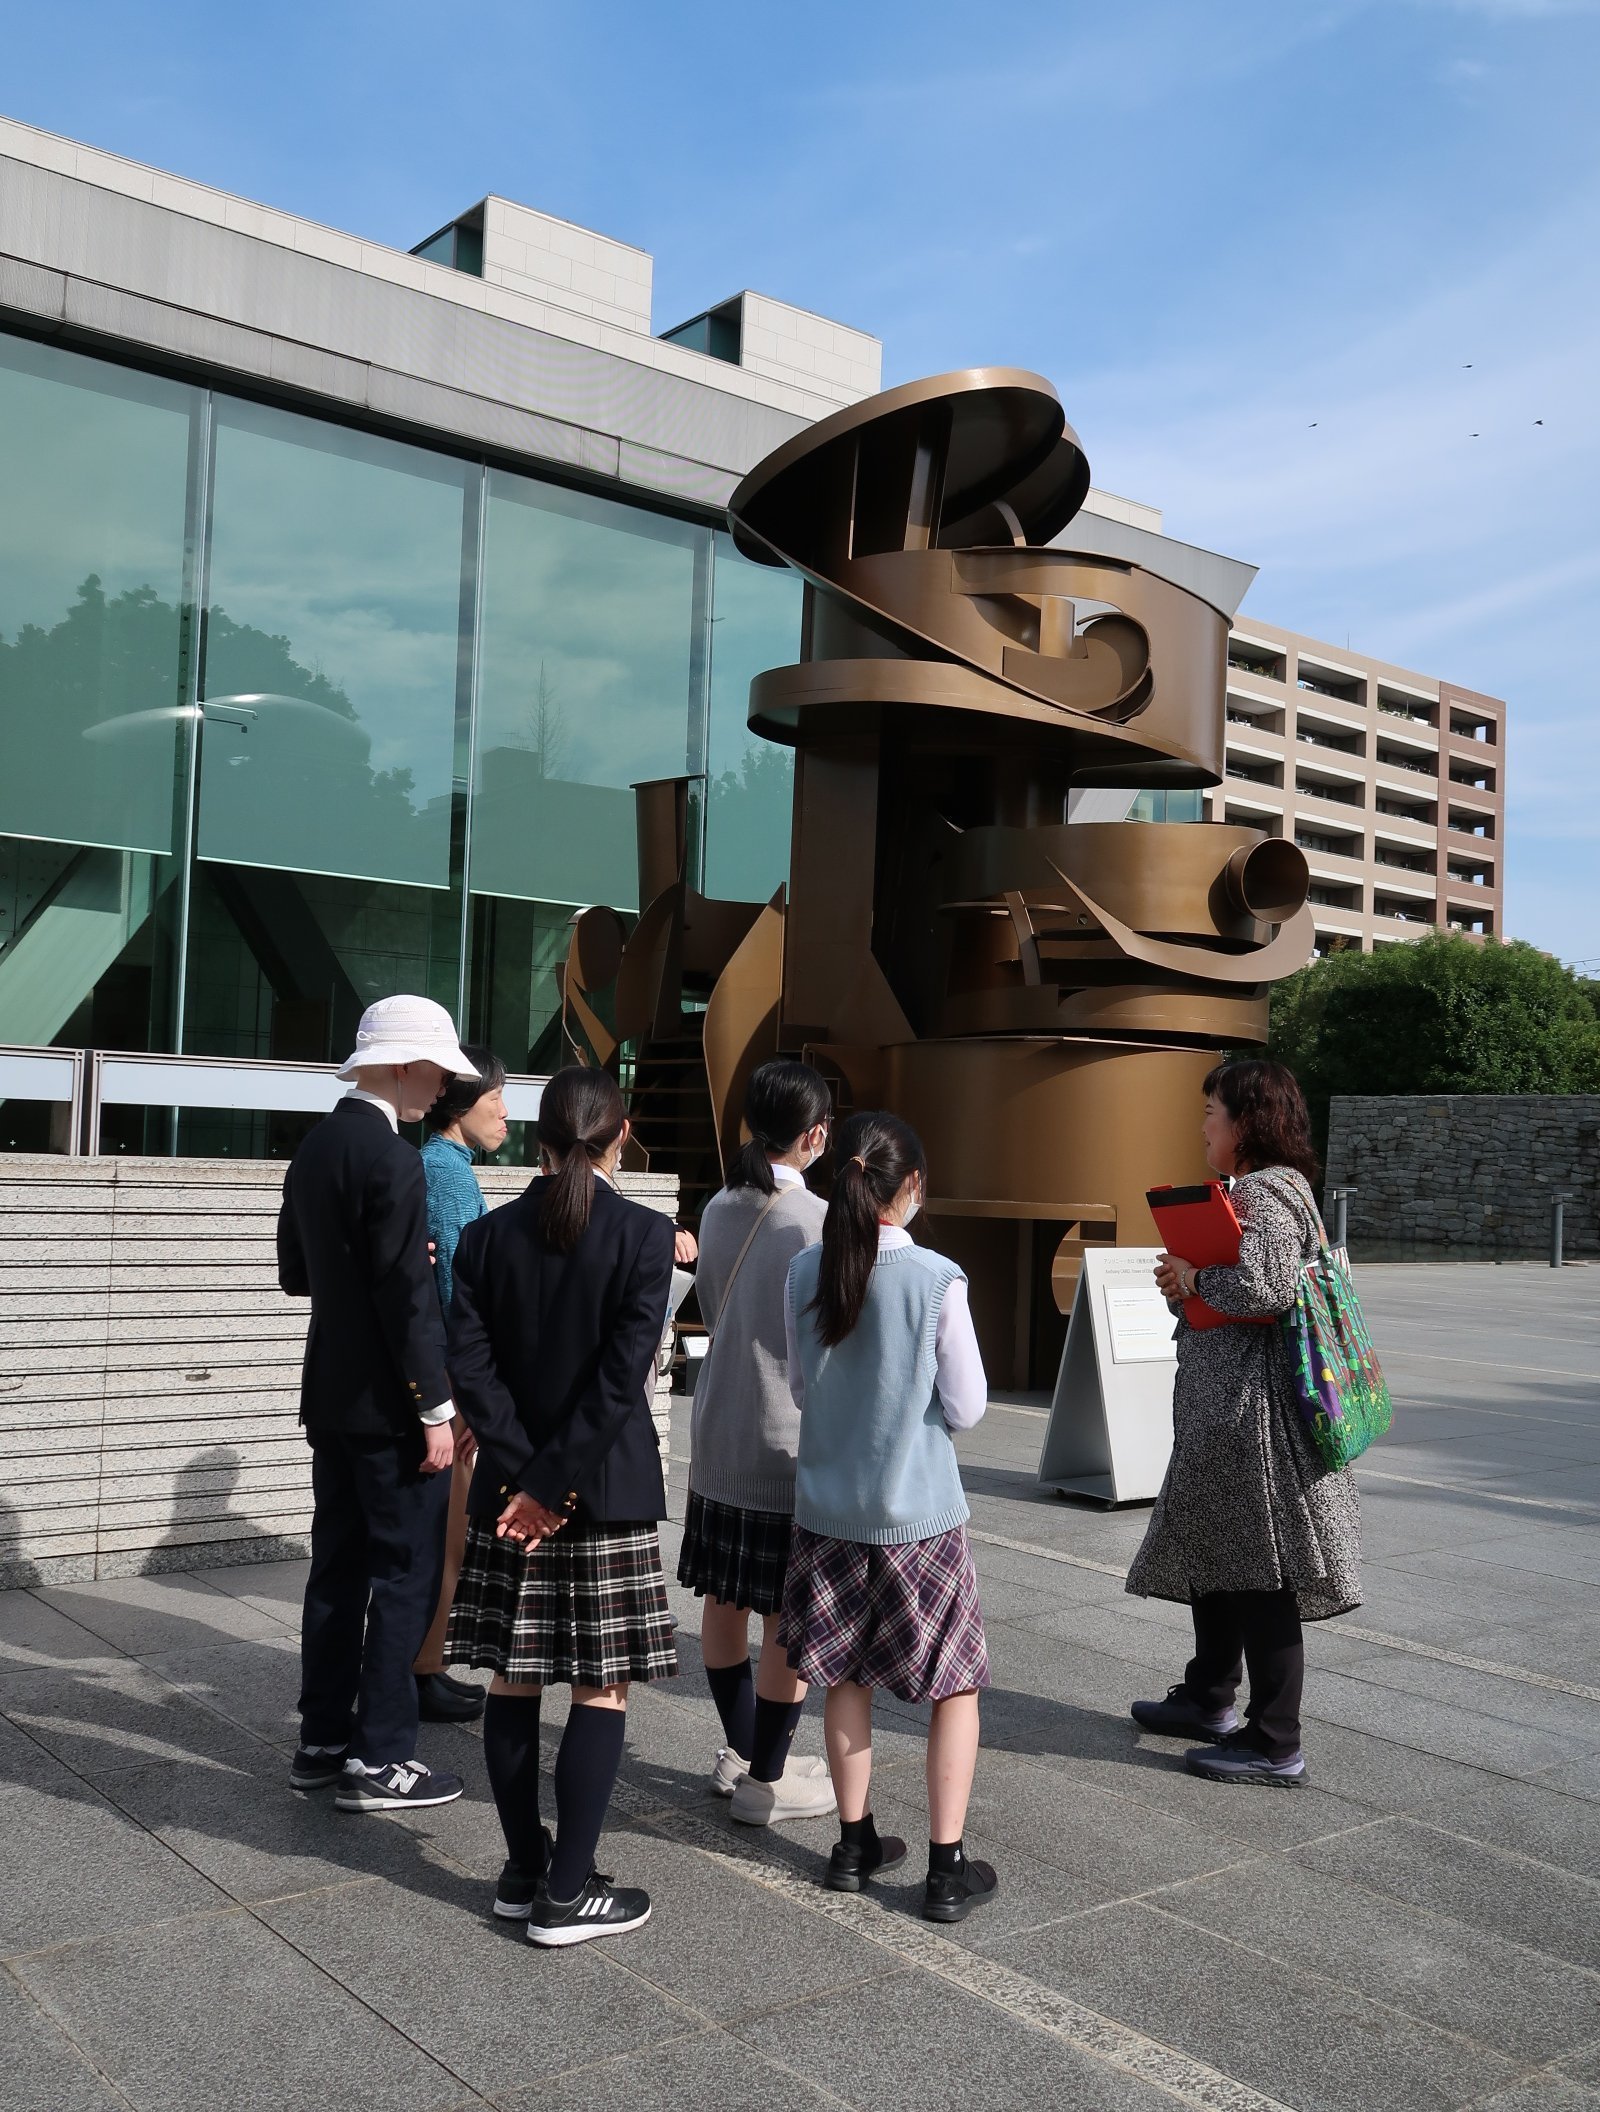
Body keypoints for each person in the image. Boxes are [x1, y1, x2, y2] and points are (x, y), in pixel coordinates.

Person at [445, 1066, 676, 1947]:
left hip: (511, 1497)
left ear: (538, 1137)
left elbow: (471, 1370)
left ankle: (522, 1873)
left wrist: (526, 1479)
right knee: (599, 1688)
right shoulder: (645, 1236)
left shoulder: (484, 1238)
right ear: (622, 1134)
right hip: (602, 1494)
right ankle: (568, 1891)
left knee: (512, 1677)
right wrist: (553, 1483)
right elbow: (620, 1381)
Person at [781, 1111, 1000, 1924]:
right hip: (919, 1518)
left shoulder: (805, 1270)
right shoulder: (937, 1277)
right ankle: (946, 1868)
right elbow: (968, 1407)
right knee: (954, 1685)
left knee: (843, 1678)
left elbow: (800, 1389)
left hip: (828, 1514)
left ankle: (853, 1845)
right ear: (910, 1184)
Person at [1125, 1057, 1362, 1786]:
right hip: (1227, 1408)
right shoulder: (1265, 1191)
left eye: (1212, 1113)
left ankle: (1274, 1740)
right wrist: (1186, 1282)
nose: (1202, 1126)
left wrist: (1195, 1277)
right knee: (1219, 1550)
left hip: (1251, 1416)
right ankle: (1209, 1696)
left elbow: (1266, 1287)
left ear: (1246, 1122)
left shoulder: (1264, 1192)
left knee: (1261, 1571)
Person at [277, 994, 480, 1813]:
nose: (444, 1087)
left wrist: (375, 1257)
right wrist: (436, 1411)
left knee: (336, 1570)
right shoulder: (393, 1160)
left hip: (330, 1396)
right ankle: (383, 1756)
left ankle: (322, 1742)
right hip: (393, 1408)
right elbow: (407, 1301)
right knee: (403, 1575)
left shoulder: (316, 1147)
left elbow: (295, 1273)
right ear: (404, 1065)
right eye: (438, 1071)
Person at [678, 1060, 836, 1826]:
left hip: (718, 1427)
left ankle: (743, 1750)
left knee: (724, 1598)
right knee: (784, 1615)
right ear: (815, 1135)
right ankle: (767, 1779)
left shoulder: (718, 1206)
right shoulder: (816, 1220)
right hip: (784, 1436)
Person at [410, 1045, 509, 1726]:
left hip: (442, 1372)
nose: (504, 1113)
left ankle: (426, 1664)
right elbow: (457, 1290)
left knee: (447, 1532)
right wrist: (470, 1390)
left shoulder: (444, 1165)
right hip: (449, 1377)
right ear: (460, 1104)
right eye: (494, 1097)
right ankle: (423, 1667)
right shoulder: (446, 1173)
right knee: (449, 1533)